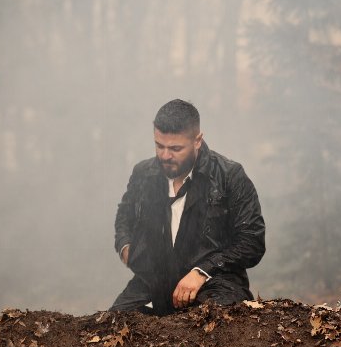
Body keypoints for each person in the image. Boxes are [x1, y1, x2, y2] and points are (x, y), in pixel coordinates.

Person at [110, 99, 265, 315]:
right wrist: (126, 247)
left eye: (175, 148)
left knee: (214, 323)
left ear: (197, 140)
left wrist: (203, 271)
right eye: (159, 146)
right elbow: (124, 216)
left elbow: (252, 241)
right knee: (111, 324)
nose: (165, 156)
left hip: (217, 283)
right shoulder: (143, 173)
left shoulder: (230, 176)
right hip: (154, 281)